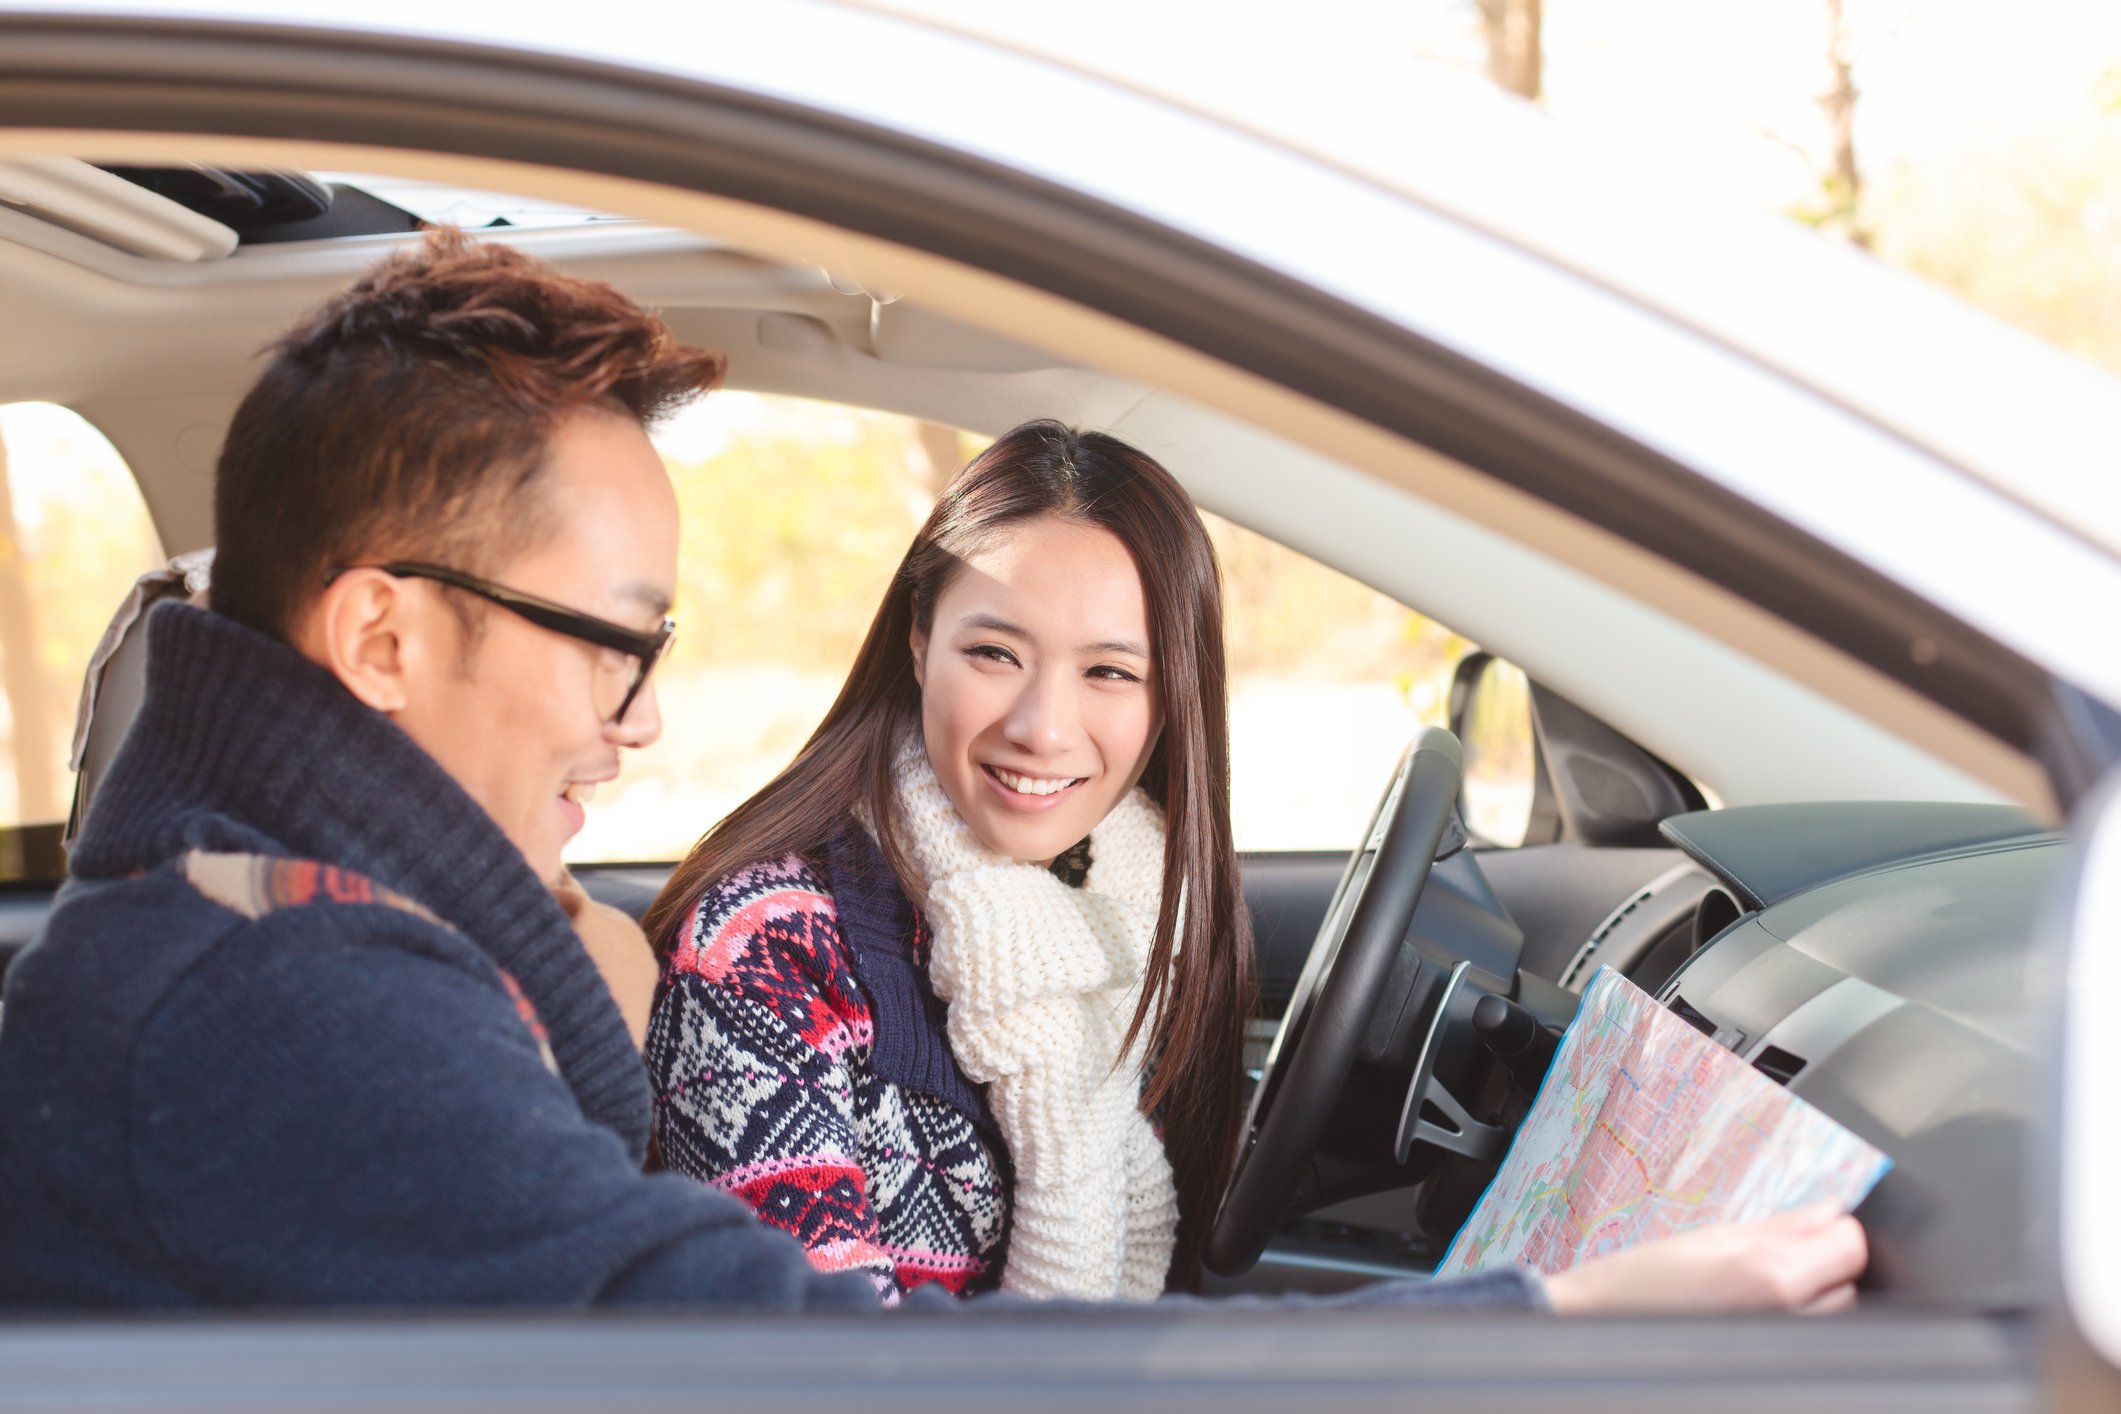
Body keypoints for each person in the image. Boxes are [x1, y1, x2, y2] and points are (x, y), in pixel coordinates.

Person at [642, 422, 1872, 1310]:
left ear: (1173, 697)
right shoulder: (770, 943)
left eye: (1109, 672)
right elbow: (838, 1385)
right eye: (996, 653)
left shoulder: (1132, 898)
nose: (1042, 728)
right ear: (920, 641)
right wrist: (1557, 1317)